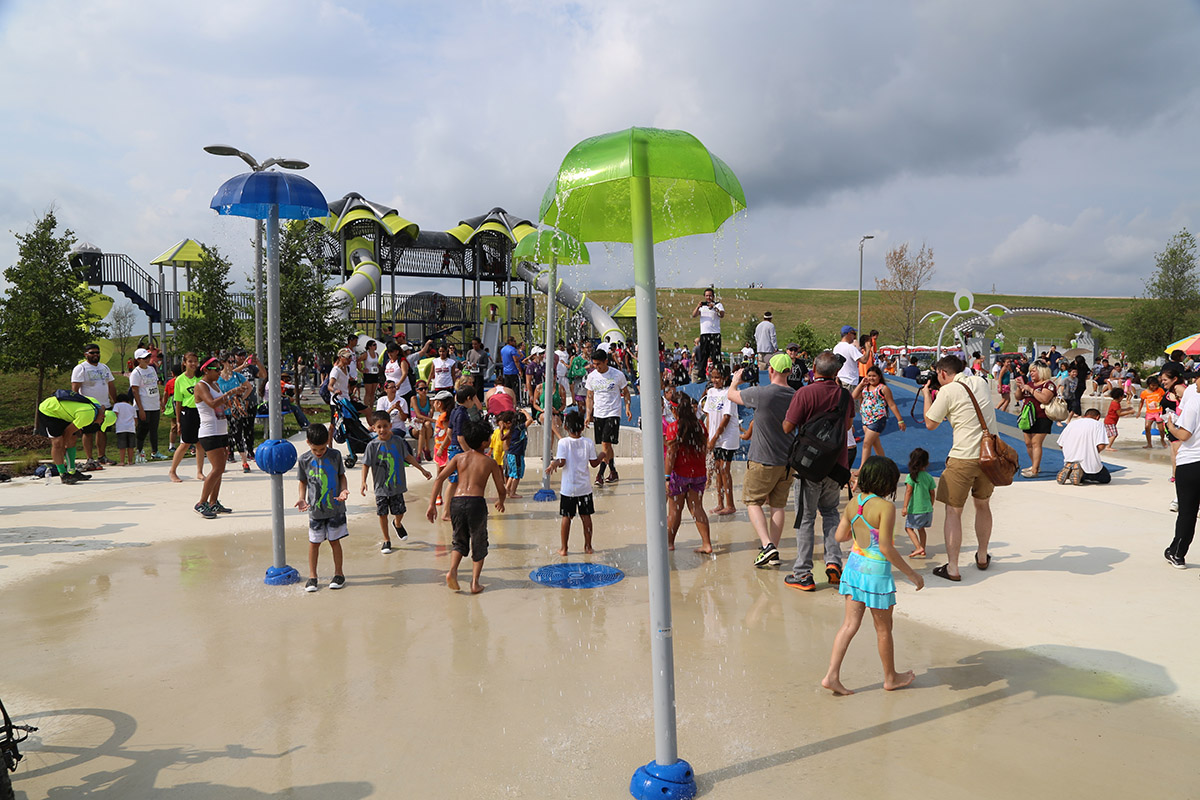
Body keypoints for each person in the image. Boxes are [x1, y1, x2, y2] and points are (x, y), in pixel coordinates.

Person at [821, 456, 924, 695]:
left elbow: (839, 537)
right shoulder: (885, 507)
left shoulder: (854, 503)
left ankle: (831, 675)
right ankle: (890, 677)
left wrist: (858, 534)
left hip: (855, 570)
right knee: (883, 629)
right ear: (886, 482)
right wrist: (911, 574)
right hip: (876, 575)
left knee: (848, 625)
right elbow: (886, 547)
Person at [921, 354, 996, 582]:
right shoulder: (981, 382)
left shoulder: (947, 390)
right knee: (983, 505)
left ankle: (953, 567)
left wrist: (927, 395)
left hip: (962, 457)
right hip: (989, 457)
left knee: (954, 511)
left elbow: (930, 423)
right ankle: (982, 556)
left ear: (943, 373)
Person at [780, 351, 852, 589]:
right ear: (837, 372)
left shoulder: (804, 393)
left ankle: (803, 573)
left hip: (809, 466)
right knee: (831, 512)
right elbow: (848, 425)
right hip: (837, 465)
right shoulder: (845, 396)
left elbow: (788, 426)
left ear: (813, 368)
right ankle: (833, 562)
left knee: (806, 517)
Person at [728, 353, 797, 570]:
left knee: (753, 501)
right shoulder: (796, 396)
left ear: (771, 371)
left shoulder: (761, 394)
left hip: (762, 459)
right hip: (787, 462)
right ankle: (773, 551)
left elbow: (731, 395)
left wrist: (735, 381)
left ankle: (767, 545)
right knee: (777, 506)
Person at [427, 417, 506, 593]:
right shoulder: (489, 462)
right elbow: (501, 487)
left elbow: (439, 478)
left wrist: (432, 504)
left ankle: (452, 571)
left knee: (459, 540)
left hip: (457, 502)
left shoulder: (459, 458)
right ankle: (474, 582)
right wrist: (501, 500)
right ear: (485, 442)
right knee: (479, 543)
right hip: (476, 503)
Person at [362, 411, 431, 554]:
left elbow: (408, 457)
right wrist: (363, 481)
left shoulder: (398, 441)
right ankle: (387, 540)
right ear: (373, 428)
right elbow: (366, 464)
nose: (382, 430)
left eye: (385, 426)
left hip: (397, 486)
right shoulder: (372, 446)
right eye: (379, 427)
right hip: (381, 487)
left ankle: (397, 523)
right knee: (382, 513)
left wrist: (422, 470)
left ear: (391, 426)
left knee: (399, 512)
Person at [194, 357, 251, 519]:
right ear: (206, 370)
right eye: (216, 369)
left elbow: (220, 406)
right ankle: (201, 503)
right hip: (209, 432)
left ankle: (213, 502)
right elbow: (212, 403)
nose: (219, 372)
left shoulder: (216, 385)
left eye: (220, 368)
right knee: (217, 468)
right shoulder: (201, 386)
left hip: (220, 430)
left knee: (219, 469)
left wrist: (233, 402)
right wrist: (231, 392)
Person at [297, 425, 350, 592]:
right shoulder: (304, 460)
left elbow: (342, 475)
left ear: (328, 441)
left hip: (335, 507)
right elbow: (303, 482)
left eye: (322, 448)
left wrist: (343, 489)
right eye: (315, 449)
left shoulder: (335, 455)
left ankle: (339, 574)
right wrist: (301, 498)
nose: (319, 452)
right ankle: (313, 577)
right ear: (308, 443)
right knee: (314, 543)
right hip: (315, 510)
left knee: (335, 541)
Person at [547, 409, 604, 556]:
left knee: (566, 517)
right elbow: (594, 464)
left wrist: (554, 463)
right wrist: (603, 454)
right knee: (586, 517)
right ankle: (588, 546)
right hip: (584, 488)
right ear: (583, 427)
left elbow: (562, 462)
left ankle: (564, 548)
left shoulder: (563, 443)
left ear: (565, 427)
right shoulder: (588, 443)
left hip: (568, 489)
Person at [665, 394, 714, 554]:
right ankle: (706, 544)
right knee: (697, 508)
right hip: (698, 474)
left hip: (679, 475)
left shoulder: (674, 428)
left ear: (674, 409)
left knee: (675, 510)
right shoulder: (700, 426)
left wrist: (666, 477)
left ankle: (669, 543)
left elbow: (671, 454)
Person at [1163, 374, 1200, 568]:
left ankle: (1177, 553)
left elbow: (1185, 434)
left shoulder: (1195, 402)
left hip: (1191, 462)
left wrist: (1171, 426)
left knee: (1187, 512)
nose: (1195, 383)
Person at [35, 391, 107, 484]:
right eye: (101, 422)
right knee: (58, 443)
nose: (99, 423)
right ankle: (63, 474)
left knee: (72, 439)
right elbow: (68, 431)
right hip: (49, 410)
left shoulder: (96, 404)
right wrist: (63, 447)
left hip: (64, 412)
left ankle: (72, 471)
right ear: (102, 416)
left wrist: (65, 445)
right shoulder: (88, 416)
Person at [584, 348, 631, 486]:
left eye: (599, 364)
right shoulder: (592, 376)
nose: (596, 367)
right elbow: (589, 396)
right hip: (599, 414)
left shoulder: (617, 375)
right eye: (594, 364)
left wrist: (627, 408)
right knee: (607, 445)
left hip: (613, 413)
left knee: (605, 444)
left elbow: (626, 392)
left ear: (606, 361)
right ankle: (613, 471)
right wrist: (588, 414)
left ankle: (600, 474)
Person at [702, 366, 740, 516]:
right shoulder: (711, 392)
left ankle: (730, 505)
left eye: (717, 377)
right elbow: (710, 416)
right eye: (712, 377)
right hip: (714, 437)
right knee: (718, 470)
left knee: (725, 469)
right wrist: (708, 436)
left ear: (724, 378)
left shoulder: (729, 393)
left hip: (727, 437)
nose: (714, 380)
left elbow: (726, 418)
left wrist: (715, 437)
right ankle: (720, 503)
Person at [70, 343, 116, 465]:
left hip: (104, 405)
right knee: (88, 432)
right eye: (92, 353)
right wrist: (76, 407)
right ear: (86, 355)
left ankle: (102, 456)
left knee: (102, 430)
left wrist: (115, 401)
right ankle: (90, 458)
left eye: (97, 352)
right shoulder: (81, 368)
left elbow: (111, 385)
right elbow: (75, 389)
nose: (95, 355)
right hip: (88, 407)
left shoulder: (104, 368)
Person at [852, 365, 906, 465]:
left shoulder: (883, 388)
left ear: (879, 376)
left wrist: (900, 420)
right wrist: (860, 384)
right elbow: (854, 396)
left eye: (874, 376)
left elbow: (892, 404)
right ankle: (885, 465)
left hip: (877, 419)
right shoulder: (865, 388)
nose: (871, 378)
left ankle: (862, 468)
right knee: (876, 444)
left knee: (866, 444)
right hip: (866, 419)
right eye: (869, 376)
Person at [1013, 360, 1057, 478]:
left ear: (1041, 371)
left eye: (1033, 371)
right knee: (1028, 443)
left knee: (1036, 443)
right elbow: (1018, 397)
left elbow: (1044, 399)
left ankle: (1035, 470)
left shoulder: (1048, 384)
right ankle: (1034, 465)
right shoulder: (1030, 384)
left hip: (1042, 417)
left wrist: (1031, 390)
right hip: (1027, 417)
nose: (1031, 373)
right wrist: (1019, 388)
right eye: (1030, 371)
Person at [168, 353, 206, 483]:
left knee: (200, 443)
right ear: (184, 363)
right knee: (185, 443)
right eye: (190, 361)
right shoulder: (180, 380)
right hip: (188, 412)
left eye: (195, 361)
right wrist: (178, 421)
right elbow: (178, 402)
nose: (193, 364)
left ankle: (200, 471)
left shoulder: (200, 377)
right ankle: (172, 471)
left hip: (201, 411)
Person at [218, 355, 254, 474]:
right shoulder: (217, 377)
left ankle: (244, 461)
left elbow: (249, 387)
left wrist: (242, 399)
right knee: (223, 436)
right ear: (223, 362)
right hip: (221, 411)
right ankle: (222, 461)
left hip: (235, 410)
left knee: (238, 433)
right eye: (229, 361)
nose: (232, 363)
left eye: (233, 361)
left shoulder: (236, 376)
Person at [1056, 409, 1112, 485]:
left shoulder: (1072, 424)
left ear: (1085, 415)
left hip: (1070, 459)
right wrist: (1093, 452)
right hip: (1088, 463)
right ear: (1097, 417)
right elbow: (1101, 445)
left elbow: (1061, 444)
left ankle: (1071, 468)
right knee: (1105, 478)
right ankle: (1081, 473)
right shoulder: (1098, 424)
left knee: (1079, 474)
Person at [129, 348, 165, 461]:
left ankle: (155, 451)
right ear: (138, 360)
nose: (147, 359)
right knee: (142, 429)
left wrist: (160, 401)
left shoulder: (152, 369)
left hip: (154, 404)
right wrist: (141, 409)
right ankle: (139, 451)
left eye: (148, 357)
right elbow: (135, 391)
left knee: (154, 430)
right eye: (144, 358)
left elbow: (155, 386)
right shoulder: (136, 373)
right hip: (144, 405)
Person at [902, 448, 936, 557]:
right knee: (921, 529)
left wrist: (905, 507)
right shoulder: (929, 477)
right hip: (927, 509)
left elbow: (908, 492)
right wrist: (930, 504)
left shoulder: (911, 477)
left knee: (908, 528)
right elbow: (932, 493)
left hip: (916, 509)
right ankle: (923, 548)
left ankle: (918, 547)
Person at [497, 408, 531, 499]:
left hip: (512, 454)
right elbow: (530, 420)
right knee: (517, 475)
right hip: (516, 454)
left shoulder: (512, 429)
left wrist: (501, 429)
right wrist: (524, 412)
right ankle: (513, 492)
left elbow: (502, 437)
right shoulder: (519, 428)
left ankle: (507, 489)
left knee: (512, 474)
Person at [691, 287, 724, 373]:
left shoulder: (718, 304)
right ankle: (701, 374)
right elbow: (694, 315)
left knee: (716, 355)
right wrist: (698, 306)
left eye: (710, 296)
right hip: (704, 334)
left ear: (713, 296)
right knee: (703, 355)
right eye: (706, 296)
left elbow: (722, 314)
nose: (708, 297)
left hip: (715, 333)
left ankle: (718, 372)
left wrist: (714, 307)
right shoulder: (702, 307)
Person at [325, 347, 354, 439]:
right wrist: (335, 391)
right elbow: (329, 386)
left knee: (352, 421)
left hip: (346, 400)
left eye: (350, 357)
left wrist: (351, 394)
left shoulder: (347, 369)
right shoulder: (336, 371)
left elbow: (346, 384)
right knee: (334, 423)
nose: (350, 359)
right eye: (347, 357)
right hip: (337, 402)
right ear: (341, 357)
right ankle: (329, 444)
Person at [833, 325, 867, 390]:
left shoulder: (836, 347)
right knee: (852, 399)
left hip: (839, 380)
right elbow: (864, 360)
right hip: (850, 381)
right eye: (854, 334)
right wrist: (868, 348)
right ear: (849, 334)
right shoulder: (850, 347)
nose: (854, 337)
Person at [1139, 376, 1167, 449]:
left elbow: (1165, 399)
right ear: (1149, 385)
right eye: (1152, 385)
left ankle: (1162, 440)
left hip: (1159, 412)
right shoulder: (1144, 393)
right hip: (1149, 412)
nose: (1154, 387)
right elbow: (1141, 402)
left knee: (1161, 429)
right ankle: (1149, 443)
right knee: (1147, 427)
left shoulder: (1160, 390)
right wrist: (1139, 411)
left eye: (1156, 385)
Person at [409, 380, 434, 461]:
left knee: (426, 424)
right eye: (421, 389)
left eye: (425, 389)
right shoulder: (414, 399)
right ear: (417, 390)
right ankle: (420, 453)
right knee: (422, 428)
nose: (424, 391)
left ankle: (426, 449)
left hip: (425, 424)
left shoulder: (429, 400)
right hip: (415, 426)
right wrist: (434, 420)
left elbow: (429, 416)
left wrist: (432, 410)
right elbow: (418, 415)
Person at [112, 392, 137, 466]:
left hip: (121, 428)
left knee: (122, 446)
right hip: (131, 428)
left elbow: (115, 415)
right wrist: (135, 426)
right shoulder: (132, 407)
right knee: (131, 446)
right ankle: (130, 461)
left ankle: (122, 461)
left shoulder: (117, 405)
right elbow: (135, 418)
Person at [361, 340, 381, 408]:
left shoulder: (376, 354)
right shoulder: (366, 354)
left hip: (375, 373)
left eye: (375, 345)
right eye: (374, 345)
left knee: (373, 393)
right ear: (369, 346)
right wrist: (362, 370)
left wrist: (377, 366)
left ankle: (371, 408)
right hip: (368, 374)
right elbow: (358, 360)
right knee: (368, 393)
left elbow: (376, 363)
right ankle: (366, 407)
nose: (375, 346)